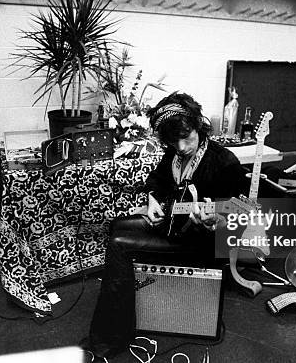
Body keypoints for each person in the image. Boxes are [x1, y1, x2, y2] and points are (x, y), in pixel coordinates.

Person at [82, 92, 248, 358]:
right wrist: (152, 199)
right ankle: (125, 311)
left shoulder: (225, 162)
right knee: (116, 226)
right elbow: (156, 181)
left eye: (187, 138)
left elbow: (242, 214)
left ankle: (109, 338)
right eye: (173, 141)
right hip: (171, 227)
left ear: (198, 126)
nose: (181, 147)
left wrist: (214, 221)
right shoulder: (174, 153)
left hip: (201, 243)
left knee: (119, 246)